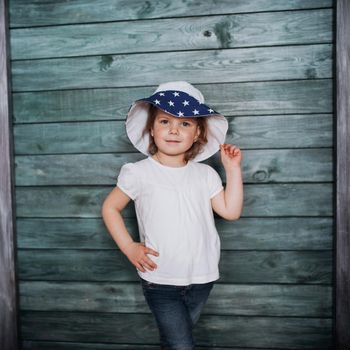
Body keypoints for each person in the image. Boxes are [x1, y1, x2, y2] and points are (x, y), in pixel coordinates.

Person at [101, 81, 243, 349]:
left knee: (175, 342)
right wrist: (129, 247)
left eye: (185, 124)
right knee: (181, 345)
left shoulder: (206, 174)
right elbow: (110, 208)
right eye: (165, 121)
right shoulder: (138, 172)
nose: (174, 130)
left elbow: (230, 212)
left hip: (202, 277)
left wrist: (233, 169)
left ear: (198, 132)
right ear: (151, 130)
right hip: (161, 279)